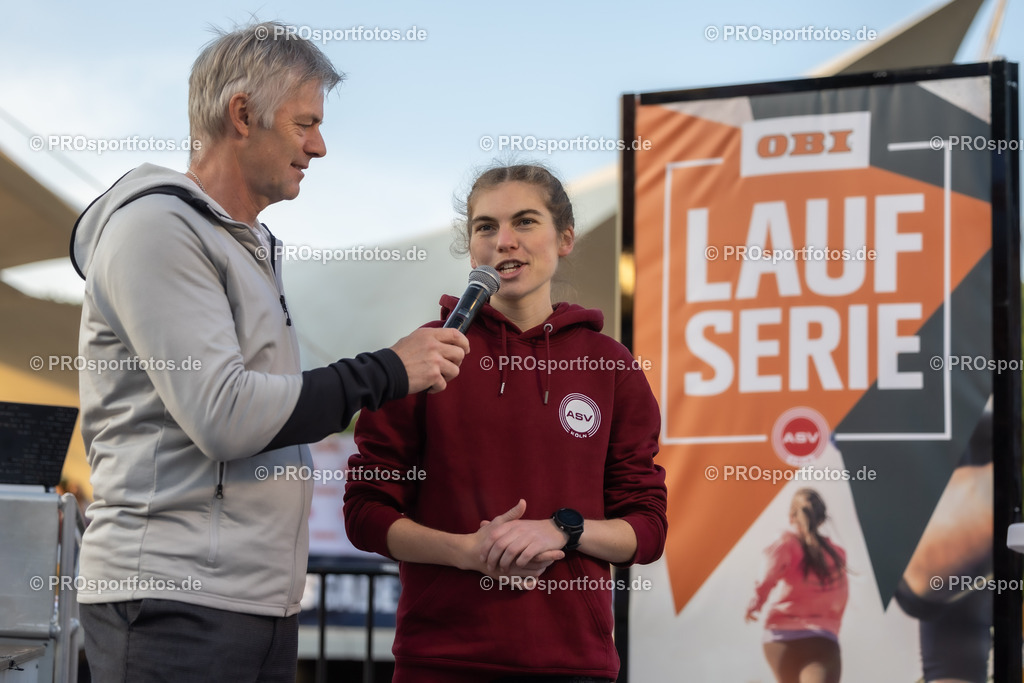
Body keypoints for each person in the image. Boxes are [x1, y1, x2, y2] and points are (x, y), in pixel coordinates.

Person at [71, 21, 468, 683]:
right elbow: (227, 416)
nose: (319, 146)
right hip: (174, 599)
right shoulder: (156, 228)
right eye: (305, 123)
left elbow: (263, 411)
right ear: (242, 114)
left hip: (253, 601)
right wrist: (387, 370)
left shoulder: (248, 244)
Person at [343, 163, 668, 682]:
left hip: (572, 665)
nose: (504, 241)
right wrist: (466, 553)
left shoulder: (610, 365)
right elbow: (365, 512)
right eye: (486, 227)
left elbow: (647, 529)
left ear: (565, 239)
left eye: (525, 221)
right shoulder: (425, 354)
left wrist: (564, 530)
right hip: (440, 660)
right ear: (471, 248)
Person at [746, 488, 848, 683]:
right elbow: (841, 597)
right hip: (821, 640)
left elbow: (767, 575)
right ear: (822, 519)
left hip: (779, 640)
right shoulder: (837, 554)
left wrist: (756, 603)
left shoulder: (786, 544)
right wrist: (831, 624)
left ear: (791, 517)